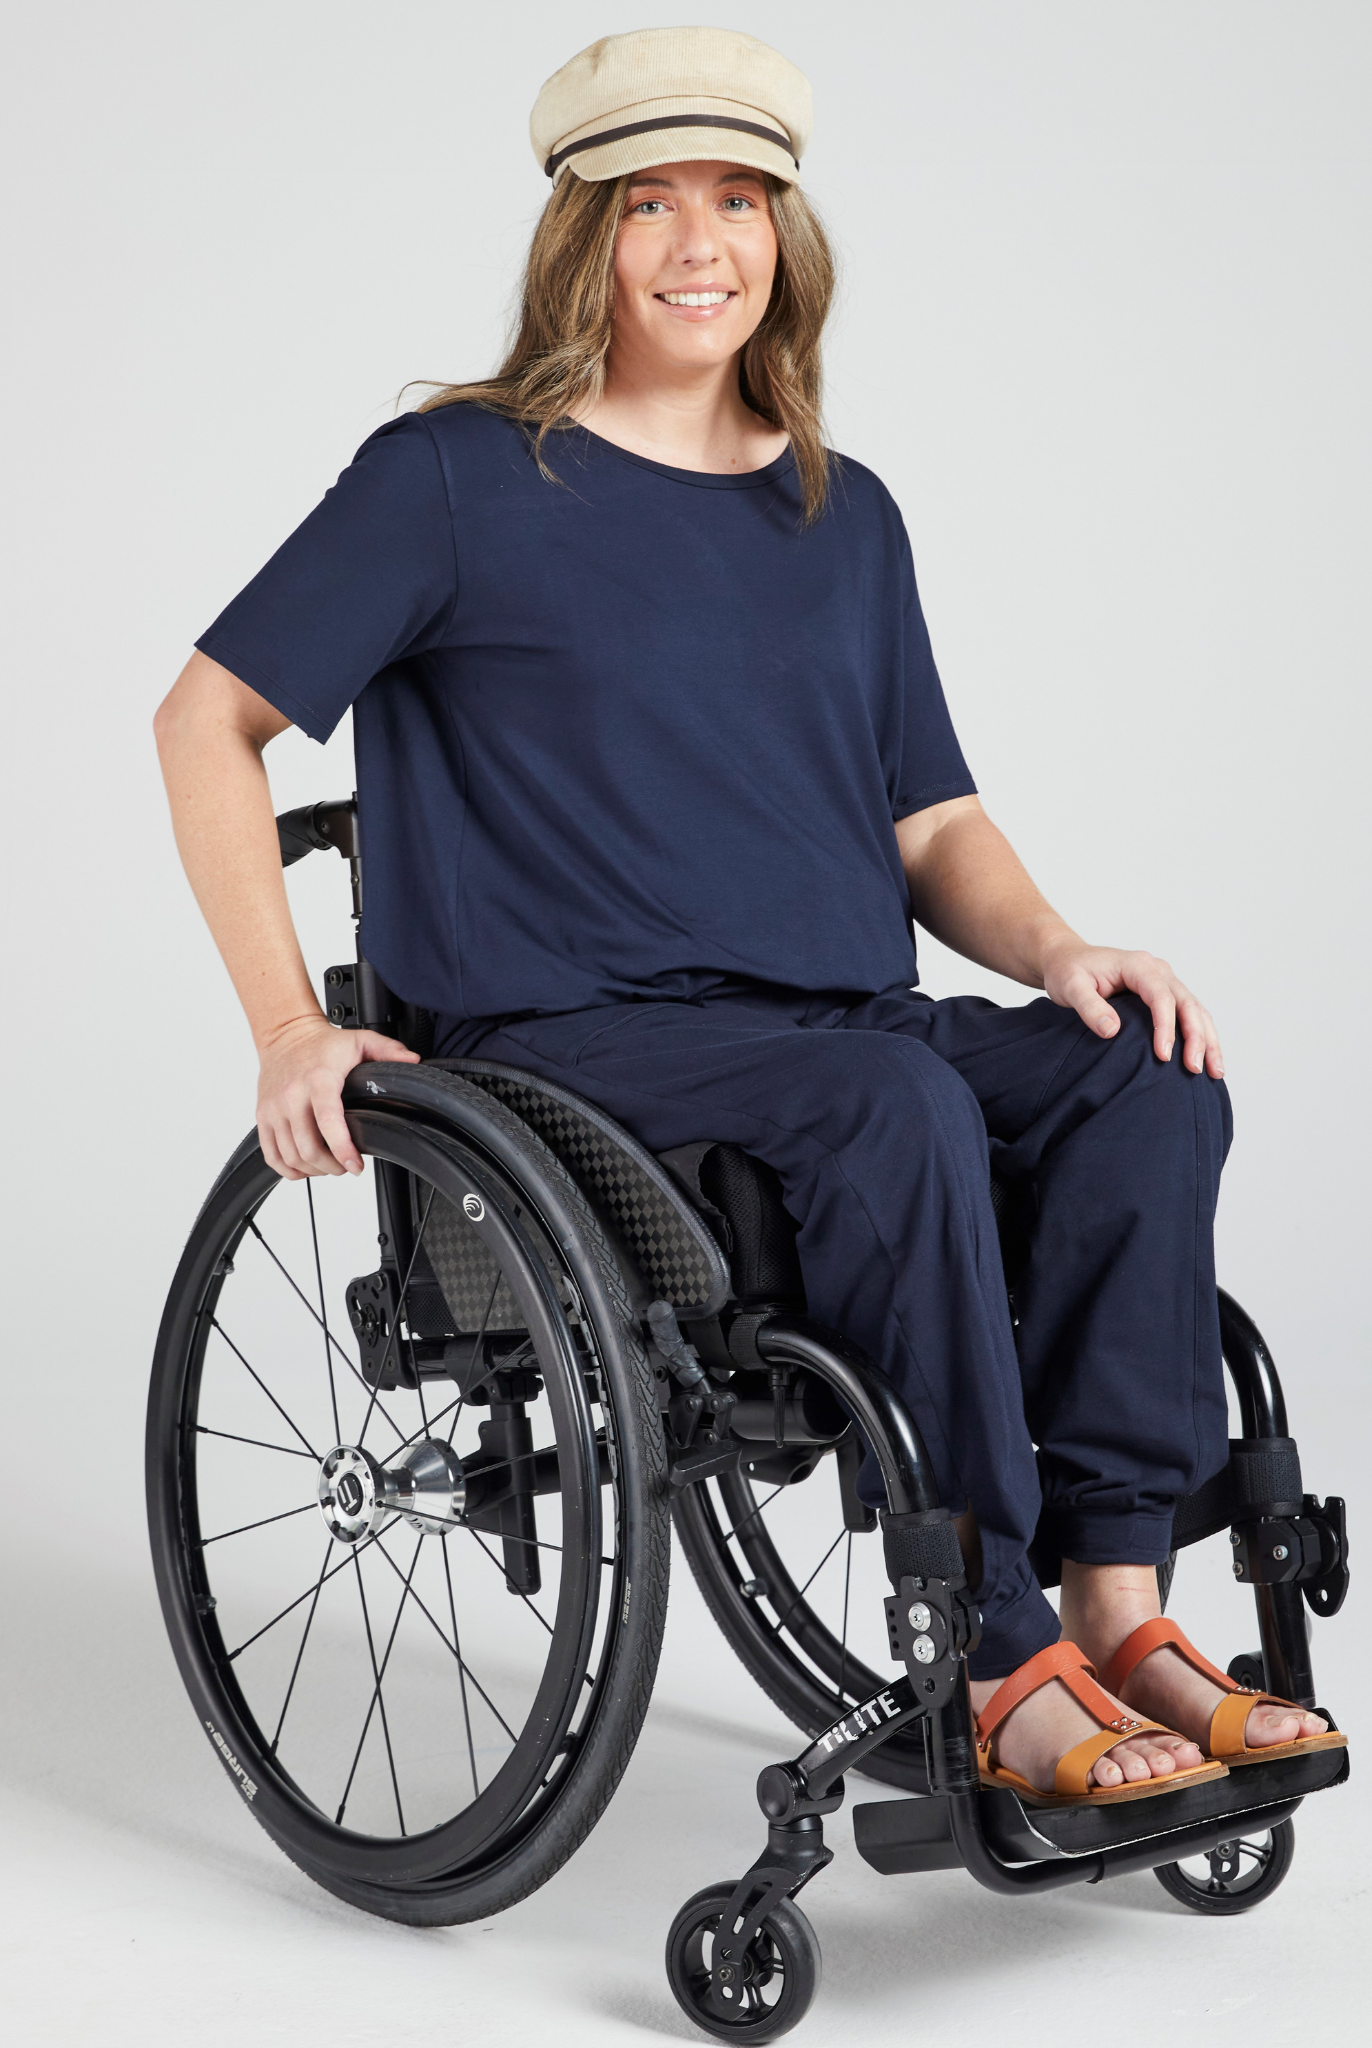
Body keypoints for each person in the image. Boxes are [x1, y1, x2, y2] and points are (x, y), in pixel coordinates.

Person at [154, 26, 1338, 1804]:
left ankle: (1121, 1606)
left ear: (786, 232)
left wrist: (1059, 950)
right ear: (584, 235)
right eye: (651, 202)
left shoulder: (841, 514)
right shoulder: (455, 477)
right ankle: (994, 1646)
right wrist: (285, 1027)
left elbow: (932, 820)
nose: (699, 243)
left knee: (1146, 1073)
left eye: (738, 199)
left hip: (833, 1026)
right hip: (575, 1042)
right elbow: (204, 722)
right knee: (895, 1104)